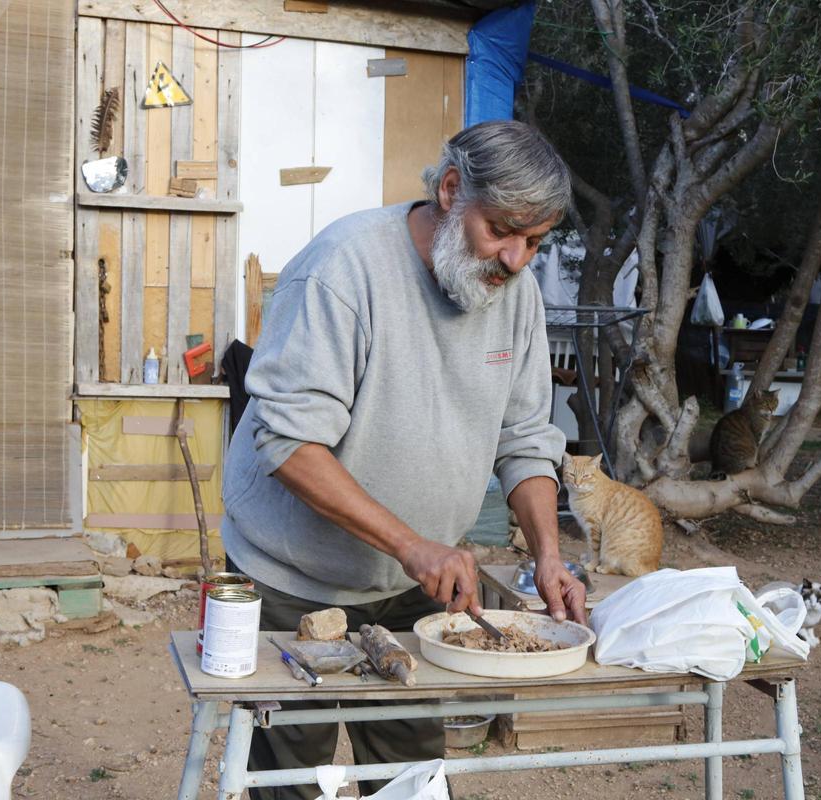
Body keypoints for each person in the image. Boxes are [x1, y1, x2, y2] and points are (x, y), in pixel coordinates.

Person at [221, 119, 587, 799]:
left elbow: (524, 436)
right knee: (290, 777)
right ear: (450, 190)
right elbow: (289, 443)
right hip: (293, 582)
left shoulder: (517, 296)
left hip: (417, 585)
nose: (515, 260)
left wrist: (547, 555)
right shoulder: (343, 270)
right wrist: (412, 545)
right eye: (501, 231)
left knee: (411, 776)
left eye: (535, 242)